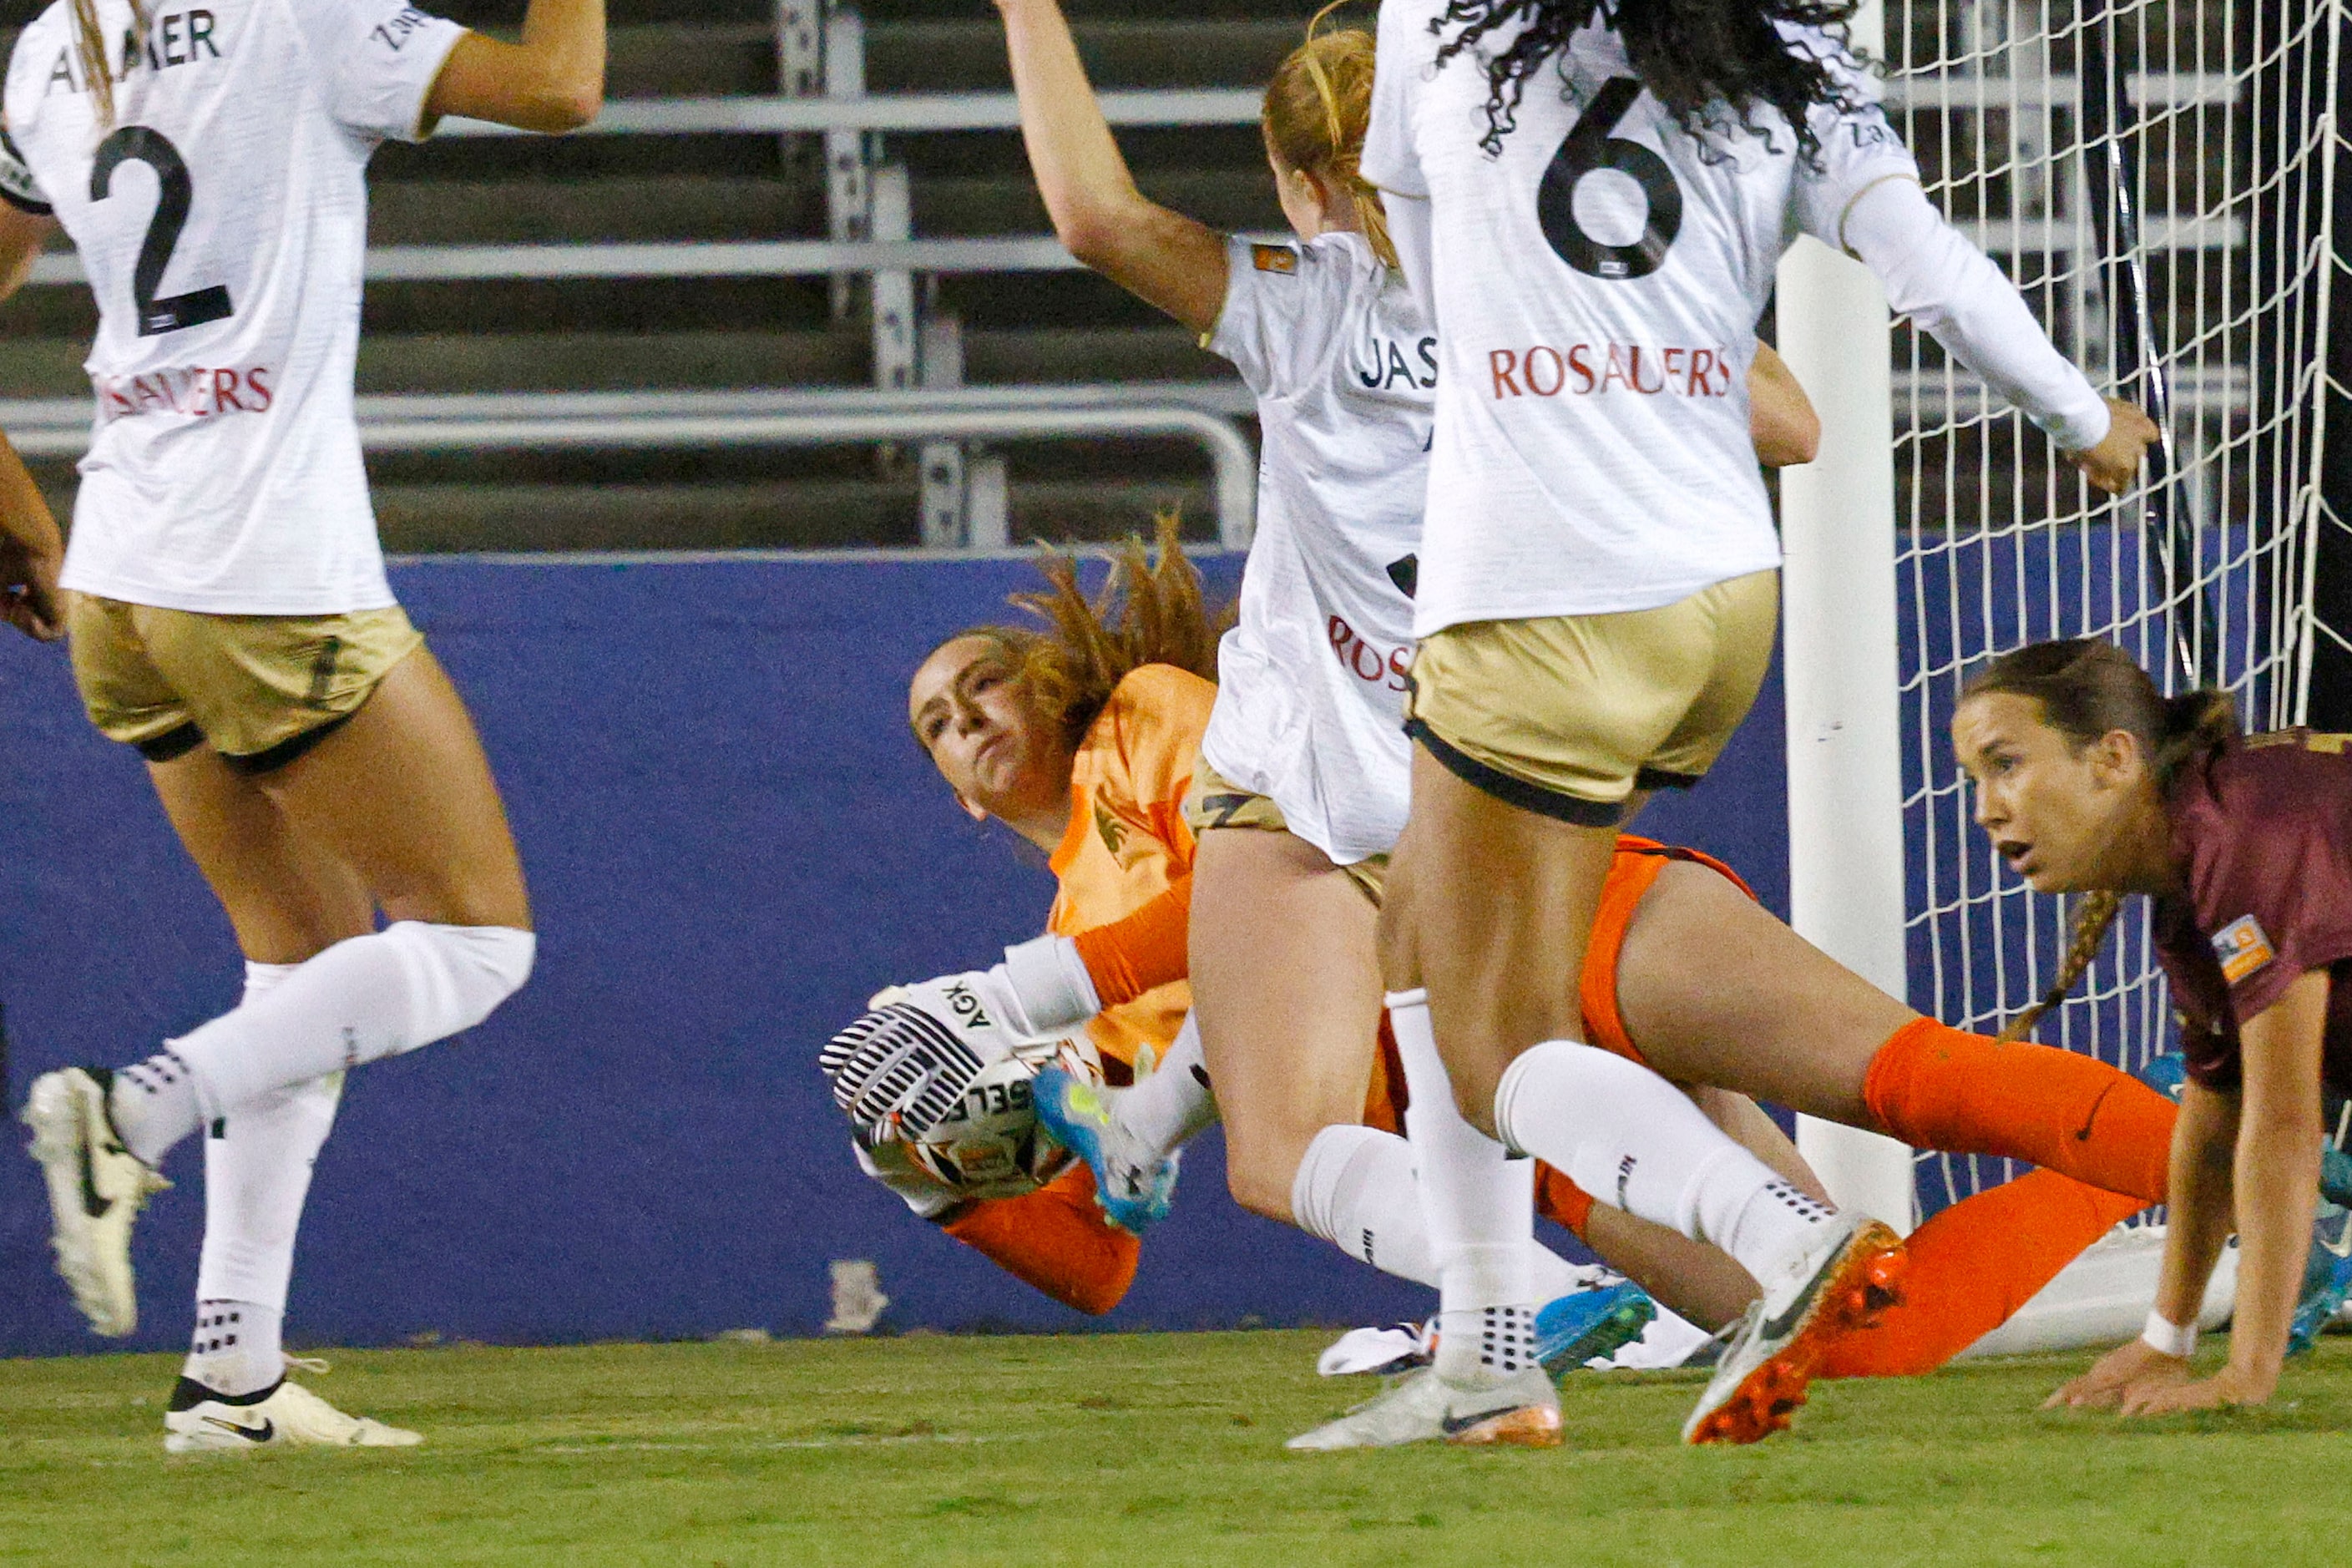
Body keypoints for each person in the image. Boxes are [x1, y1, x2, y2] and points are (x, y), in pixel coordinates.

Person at [1352, 0, 2160, 1446]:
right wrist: (2073, 414)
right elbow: (1928, 267)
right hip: (1720, 591)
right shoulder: (1783, 42)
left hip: (1534, 583)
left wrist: (1514, 369)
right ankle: (1487, 1360)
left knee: (1490, 1050)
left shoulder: (1436, 17)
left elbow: (1412, 243)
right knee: (1419, 928)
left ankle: (1786, 1235)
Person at [983, 0, 1813, 1332]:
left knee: (1288, 1141)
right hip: (1529, 746)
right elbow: (1789, 422)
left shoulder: (1299, 308)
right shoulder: (1550, 285)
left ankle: (1531, 1300)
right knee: (1579, 1064)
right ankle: (1815, 1282)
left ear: (1302, 181)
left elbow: (1094, 215)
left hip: (1329, 782)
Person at [2, 0, 602, 1450]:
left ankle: (232, 1375)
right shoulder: (303, 17)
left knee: (304, 967)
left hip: (122, 578)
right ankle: (129, 1110)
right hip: (264, 567)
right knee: (477, 941)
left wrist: (21, 519)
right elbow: (565, 90)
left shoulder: (42, 54)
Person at [842, 523, 1668, 1373]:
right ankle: (1533, 1301)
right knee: (1737, 1295)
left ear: (1050, 688)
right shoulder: (1073, 942)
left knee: (1276, 1153)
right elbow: (1098, 1266)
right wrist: (928, 1189)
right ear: (959, 798)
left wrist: (1028, 998)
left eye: (985, 683)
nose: (968, 717)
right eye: (938, 725)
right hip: (1487, 1132)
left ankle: (1507, 1301)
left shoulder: (1142, 721)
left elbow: (1286, 868)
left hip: (1494, 964)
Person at [1952, 639, 2352, 1415]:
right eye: (1976, 779)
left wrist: (2244, 1377)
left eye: (2005, 765)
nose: (1987, 808)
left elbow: (2282, 1124)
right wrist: (2165, 1342)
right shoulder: (2189, 883)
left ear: (2112, 758)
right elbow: (2216, 1112)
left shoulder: (2246, 838)